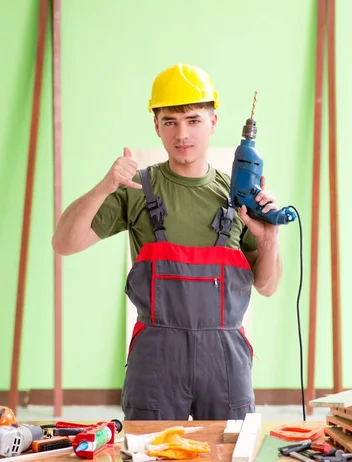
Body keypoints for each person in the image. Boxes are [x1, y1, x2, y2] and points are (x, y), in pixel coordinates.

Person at [52, 63, 283, 420]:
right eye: (170, 122)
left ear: (213, 122)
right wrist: (104, 186)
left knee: (229, 453)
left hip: (225, 362)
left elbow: (267, 286)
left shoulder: (237, 197)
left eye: (193, 120)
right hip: (156, 362)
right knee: (148, 454)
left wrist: (269, 239)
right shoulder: (136, 190)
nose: (182, 134)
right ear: (156, 125)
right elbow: (64, 243)